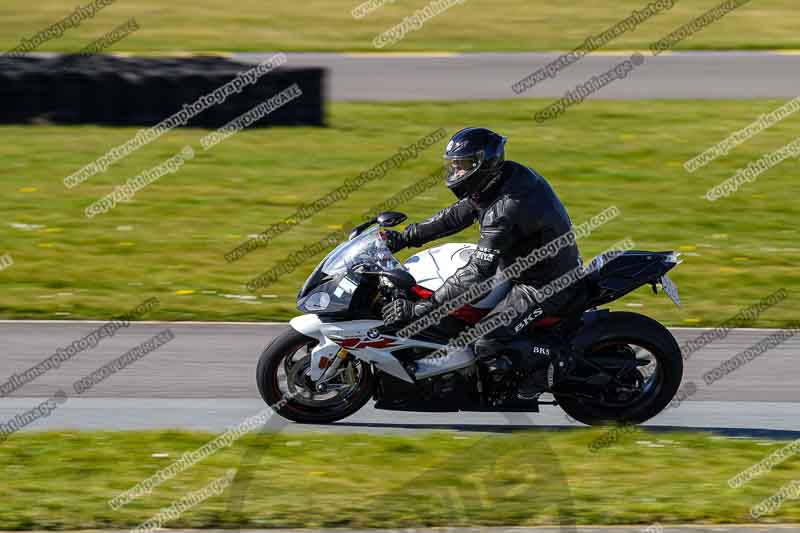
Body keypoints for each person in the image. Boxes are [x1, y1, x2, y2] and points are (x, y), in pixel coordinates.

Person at [381, 127, 587, 392]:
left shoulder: (506, 207)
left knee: (484, 341)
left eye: (463, 166)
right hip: (518, 268)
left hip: (544, 284)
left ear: (484, 164)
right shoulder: (499, 179)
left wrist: (419, 310)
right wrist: (405, 238)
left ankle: (548, 373)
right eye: (455, 166)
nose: (457, 173)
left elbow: (479, 272)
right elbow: (456, 215)